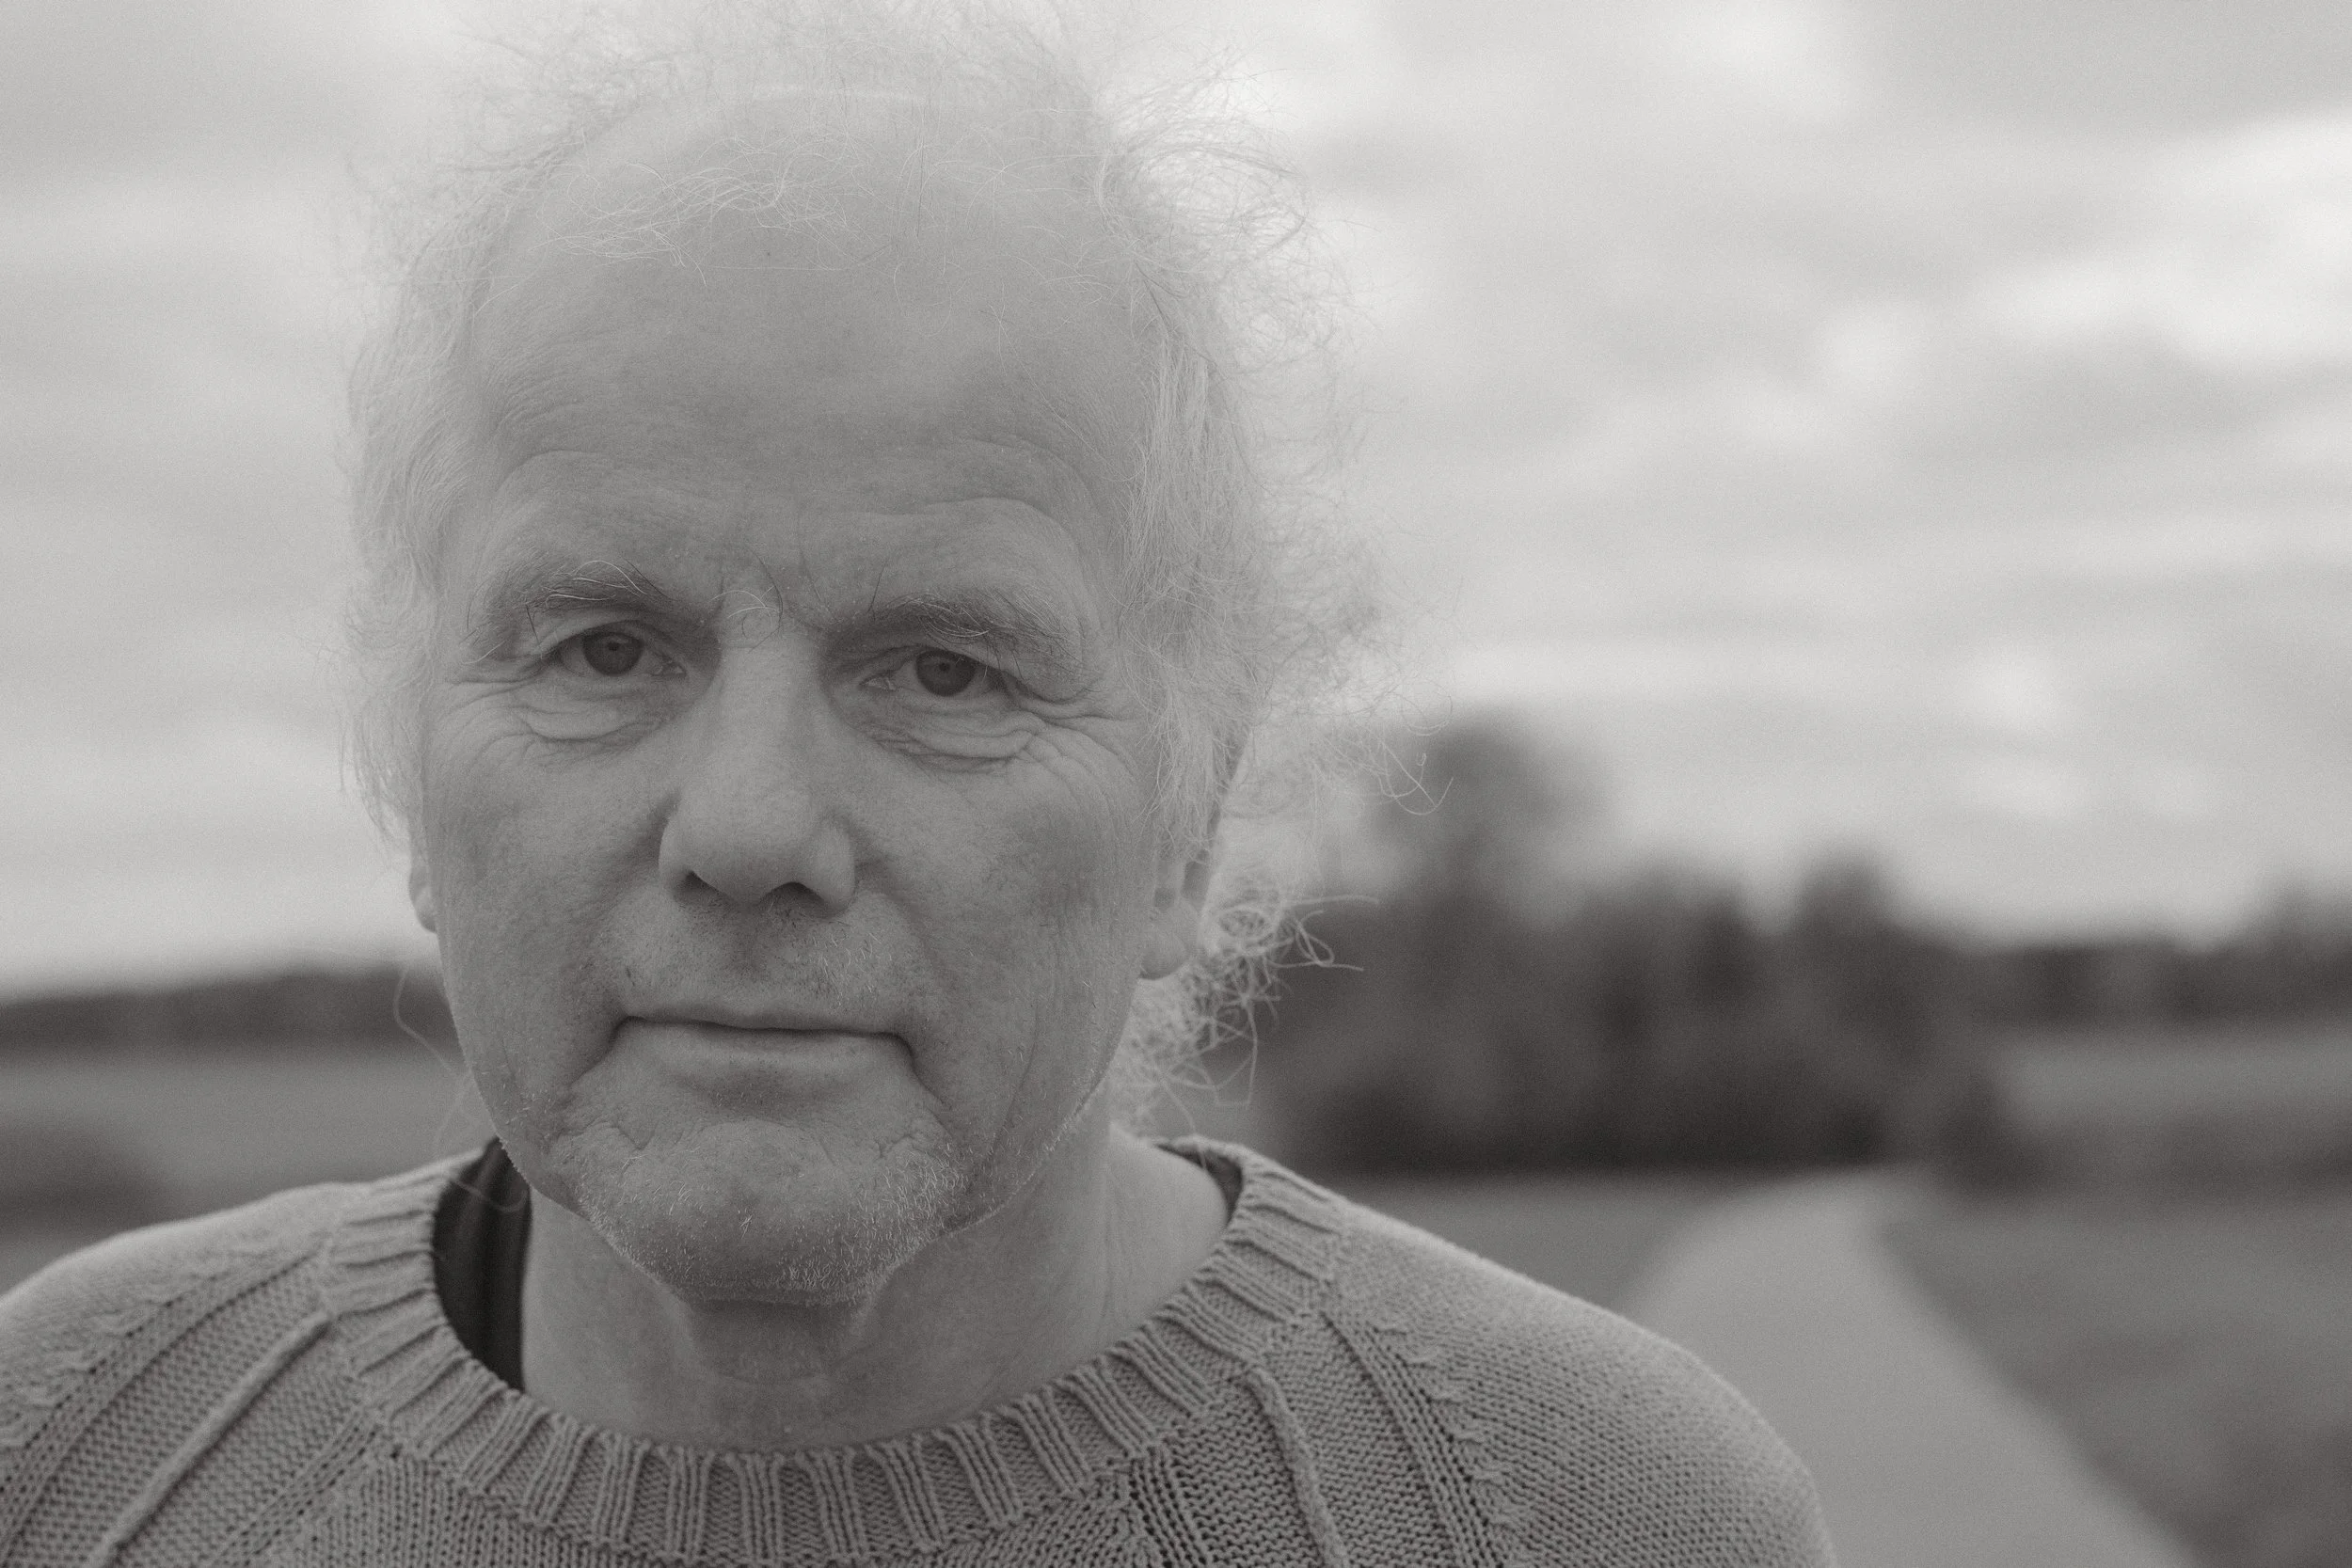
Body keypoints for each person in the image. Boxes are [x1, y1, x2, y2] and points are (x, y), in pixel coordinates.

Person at [0, 3, 1836, 1562]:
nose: (743, 827)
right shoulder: (73, 1445)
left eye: (943, 668)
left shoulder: (1588, 1514)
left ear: (1187, 816)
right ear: (411, 755)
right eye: (602, 646)